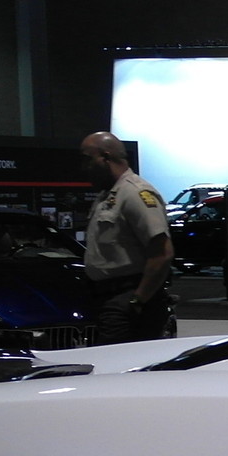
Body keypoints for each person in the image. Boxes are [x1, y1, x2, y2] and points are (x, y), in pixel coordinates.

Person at [78, 132, 174, 344]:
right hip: (106, 298)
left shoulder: (135, 193)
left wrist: (137, 301)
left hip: (127, 299)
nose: (84, 168)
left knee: (119, 361)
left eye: (87, 159)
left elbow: (162, 253)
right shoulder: (107, 196)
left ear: (105, 157)